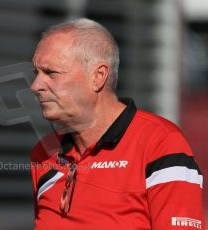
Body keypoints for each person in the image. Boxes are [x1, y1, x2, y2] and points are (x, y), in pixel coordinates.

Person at [30, 18, 205, 230]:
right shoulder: (44, 153)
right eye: (36, 73)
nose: (36, 85)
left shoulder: (160, 143)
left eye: (51, 73)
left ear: (98, 76)